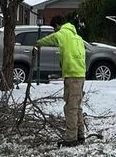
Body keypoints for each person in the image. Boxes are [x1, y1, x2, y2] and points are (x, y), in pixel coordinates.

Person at [35, 18, 86, 146]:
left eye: (54, 28)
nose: (55, 31)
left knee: (70, 108)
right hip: (80, 74)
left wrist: (38, 43)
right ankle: (80, 135)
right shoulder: (77, 37)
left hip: (72, 74)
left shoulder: (63, 33)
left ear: (58, 25)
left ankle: (71, 138)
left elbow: (51, 39)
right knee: (76, 107)